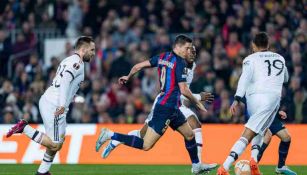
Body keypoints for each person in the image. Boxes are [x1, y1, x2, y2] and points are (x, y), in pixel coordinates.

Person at [95, 34, 216, 174]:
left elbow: (139, 66)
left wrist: (128, 76)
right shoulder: (180, 62)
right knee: (146, 144)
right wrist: (197, 102)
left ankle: (196, 166)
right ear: (178, 46)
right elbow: (183, 89)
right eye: (187, 48)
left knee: (189, 135)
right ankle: (111, 135)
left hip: (173, 108)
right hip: (165, 108)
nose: (188, 51)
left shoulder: (163, 57)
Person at [6, 36, 95, 175]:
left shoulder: (69, 60)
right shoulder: (76, 63)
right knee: (55, 144)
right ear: (83, 49)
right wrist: (61, 105)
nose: (93, 53)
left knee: (60, 138)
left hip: (53, 102)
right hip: (54, 105)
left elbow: (66, 85)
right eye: (92, 50)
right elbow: (65, 80)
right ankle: (24, 128)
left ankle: (43, 171)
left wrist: (73, 97)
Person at [217, 32, 289, 175]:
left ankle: (253, 161)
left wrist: (237, 99)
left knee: (259, 131)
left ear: (253, 46)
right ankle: (224, 167)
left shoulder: (249, 59)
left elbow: (244, 79)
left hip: (253, 99)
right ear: (268, 45)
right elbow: (285, 78)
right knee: (247, 135)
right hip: (270, 100)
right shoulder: (280, 58)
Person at [256, 110, 297, 175]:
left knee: (286, 137)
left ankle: (281, 167)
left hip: (271, 115)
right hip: (261, 114)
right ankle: (253, 167)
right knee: (267, 137)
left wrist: (278, 112)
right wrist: (237, 101)